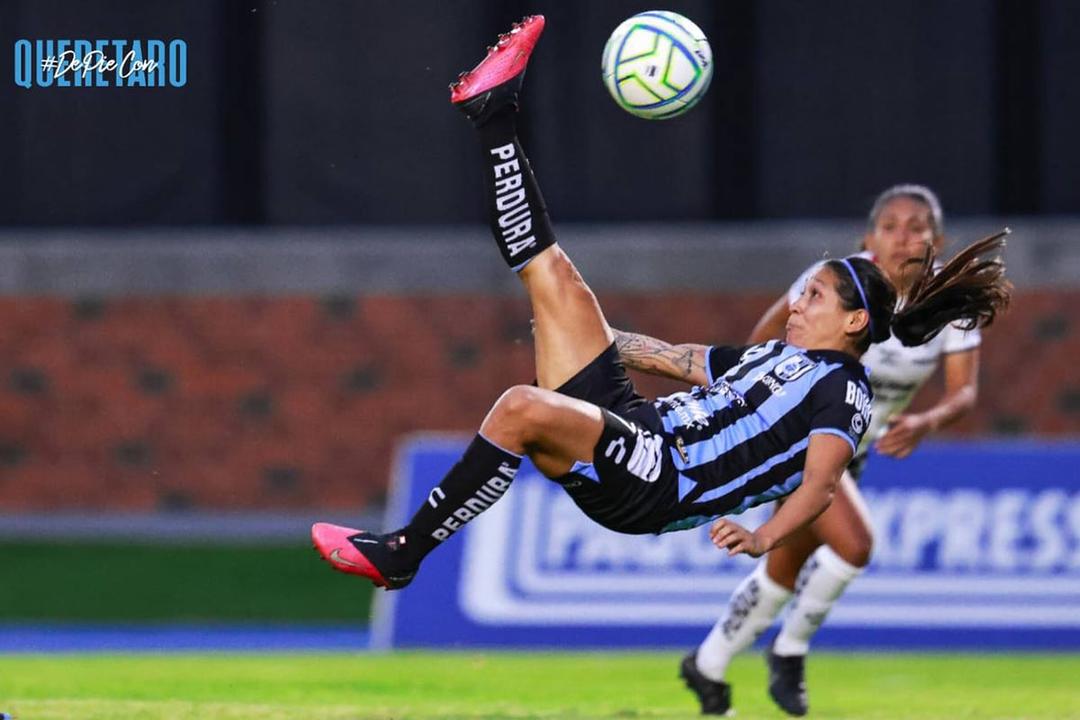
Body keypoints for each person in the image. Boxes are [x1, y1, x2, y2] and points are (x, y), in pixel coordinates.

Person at [309, 16, 1010, 653]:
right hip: (639, 431)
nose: (799, 301)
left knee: (519, 407)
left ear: (856, 321)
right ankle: (493, 115)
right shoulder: (773, 356)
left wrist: (765, 534)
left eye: (816, 296)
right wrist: (583, 326)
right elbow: (672, 358)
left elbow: (824, 483)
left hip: (662, 482)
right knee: (555, 278)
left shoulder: (844, 391)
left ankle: (402, 551)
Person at [614, 185, 992, 717]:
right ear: (869, 237)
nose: (902, 236)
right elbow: (764, 341)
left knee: (785, 570)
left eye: (915, 226)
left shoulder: (942, 307)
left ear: (936, 239)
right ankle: (789, 651)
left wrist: (926, 420)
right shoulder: (839, 287)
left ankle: (708, 663)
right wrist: (766, 410)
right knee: (855, 545)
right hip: (797, 442)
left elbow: (964, 392)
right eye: (890, 225)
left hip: (847, 452)